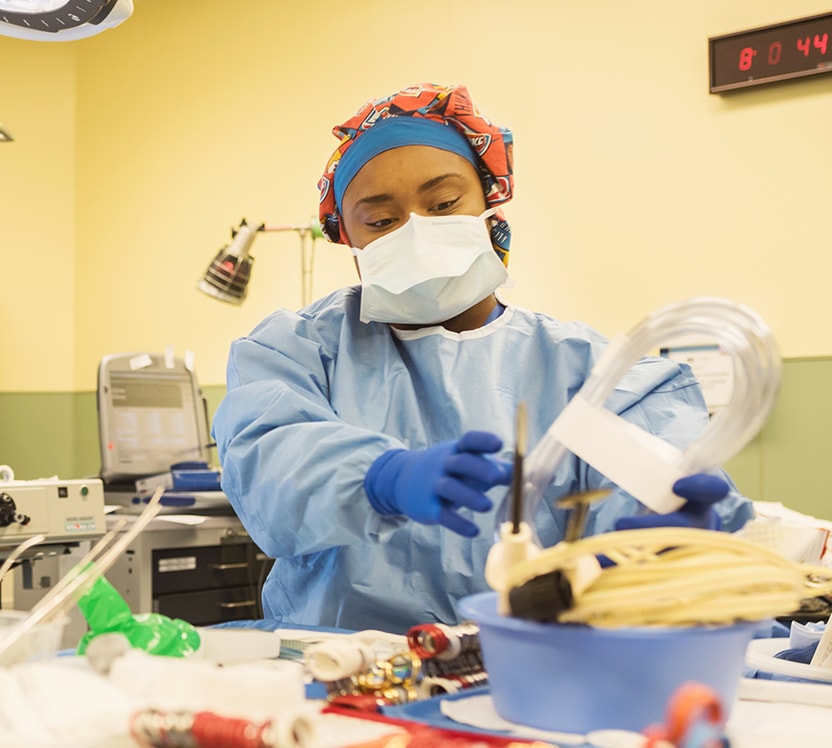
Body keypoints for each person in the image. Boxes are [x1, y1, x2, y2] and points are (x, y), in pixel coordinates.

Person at [211, 83, 754, 634]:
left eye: (444, 204)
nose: (416, 231)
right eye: (380, 221)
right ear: (347, 237)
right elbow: (267, 459)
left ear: (488, 203)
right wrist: (379, 478)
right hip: (344, 669)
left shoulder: (588, 370)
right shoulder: (299, 352)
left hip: (541, 659)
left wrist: (658, 538)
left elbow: (663, 477)